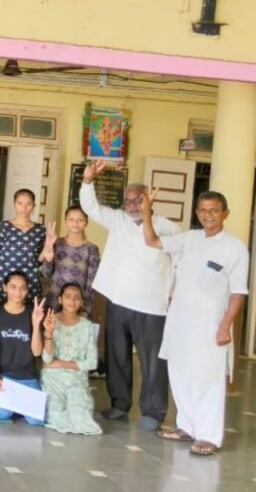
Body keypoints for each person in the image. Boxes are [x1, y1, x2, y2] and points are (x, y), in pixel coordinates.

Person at [143, 190, 249, 456]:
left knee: (207, 378)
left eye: (214, 210)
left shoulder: (234, 247)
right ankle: (187, 427)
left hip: (210, 324)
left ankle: (208, 436)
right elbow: (152, 240)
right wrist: (146, 210)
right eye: (202, 209)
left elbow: (238, 292)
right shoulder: (190, 238)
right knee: (180, 374)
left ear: (225, 213)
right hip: (180, 320)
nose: (207, 215)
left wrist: (225, 326)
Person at [79, 160, 178, 430]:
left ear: (149, 199)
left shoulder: (168, 228)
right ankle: (120, 404)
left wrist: (174, 297)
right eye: (128, 201)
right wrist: (88, 180)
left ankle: (153, 412)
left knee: (153, 361)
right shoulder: (119, 220)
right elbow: (90, 206)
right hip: (118, 301)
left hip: (153, 307)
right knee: (117, 356)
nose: (133, 205)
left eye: (138, 200)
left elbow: (180, 266)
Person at [40, 283, 102, 435]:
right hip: (53, 380)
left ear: (82, 302)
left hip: (77, 380)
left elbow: (92, 362)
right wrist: (49, 333)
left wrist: (60, 363)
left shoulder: (87, 326)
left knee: (81, 419)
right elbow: (47, 359)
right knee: (55, 416)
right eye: (67, 297)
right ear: (60, 299)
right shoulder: (51, 320)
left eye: (76, 298)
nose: (72, 301)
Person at [0, 272, 47, 426]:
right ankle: (17, 406)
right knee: (0, 413)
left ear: (27, 290)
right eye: (13, 287)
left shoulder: (32, 313)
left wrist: (36, 324)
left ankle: (17, 405)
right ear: (5, 288)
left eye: (22, 288)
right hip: (5, 378)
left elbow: (37, 352)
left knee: (37, 420)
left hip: (28, 378)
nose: (18, 292)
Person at [41, 206, 101, 312]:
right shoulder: (56, 243)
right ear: (65, 221)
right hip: (54, 300)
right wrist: (48, 260)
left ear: (86, 222)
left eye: (80, 220)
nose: (75, 223)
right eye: (71, 219)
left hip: (76, 303)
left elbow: (92, 283)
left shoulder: (91, 249)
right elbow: (46, 273)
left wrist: (85, 309)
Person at [0, 189, 47, 304]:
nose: (24, 208)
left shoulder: (40, 230)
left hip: (30, 280)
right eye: (20, 203)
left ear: (34, 206)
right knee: (3, 311)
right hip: (6, 279)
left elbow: (39, 260)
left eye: (28, 204)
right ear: (14, 204)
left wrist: (48, 246)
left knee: (29, 312)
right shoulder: (3, 227)